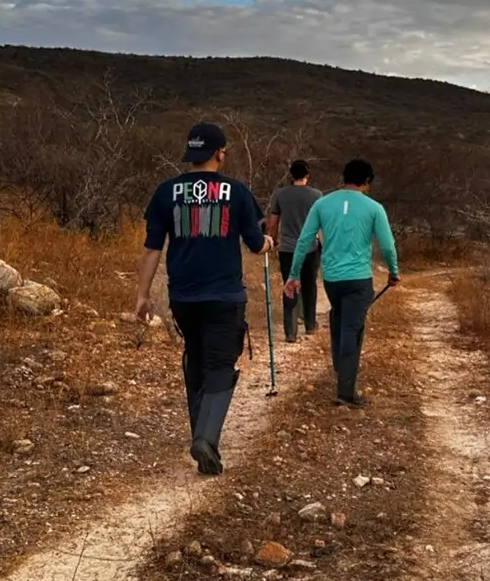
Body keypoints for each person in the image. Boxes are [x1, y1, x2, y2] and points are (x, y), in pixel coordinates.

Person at [134, 122, 273, 475]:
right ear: (218, 153)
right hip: (225, 295)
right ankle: (206, 439)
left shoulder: (167, 192)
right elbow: (256, 244)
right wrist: (269, 243)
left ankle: (201, 436)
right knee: (220, 365)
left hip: (184, 296)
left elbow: (152, 249)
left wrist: (142, 296)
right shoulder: (237, 191)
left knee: (195, 359)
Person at [284, 158, 399, 408]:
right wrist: (393, 271)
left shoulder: (322, 203)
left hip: (332, 278)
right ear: (367, 181)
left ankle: (340, 369)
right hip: (358, 279)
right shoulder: (374, 207)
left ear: (344, 177)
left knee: (338, 318)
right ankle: (346, 390)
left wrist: (293, 274)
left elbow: (305, 240)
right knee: (351, 329)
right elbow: (388, 246)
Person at [266, 160, 324, 343]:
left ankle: (290, 331)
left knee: (289, 285)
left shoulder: (281, 194)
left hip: (288, 248)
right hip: (310, 248)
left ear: (291, 174)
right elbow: (323, 223)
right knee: (309, 284)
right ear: (308, 174)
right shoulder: (317, 195)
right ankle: (310, 324)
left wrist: (273, 240)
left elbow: (273, 222)